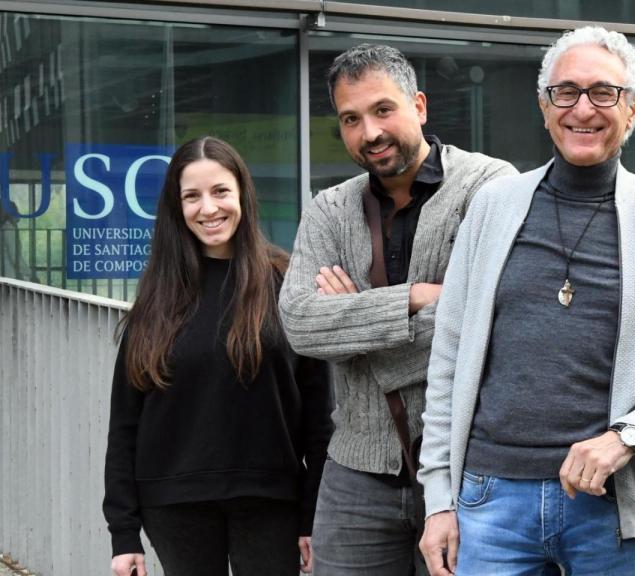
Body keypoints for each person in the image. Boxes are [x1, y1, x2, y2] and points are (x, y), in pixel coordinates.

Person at [418, 26, 635, 576]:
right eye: (566, 91)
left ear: (634, 107)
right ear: (544, 105)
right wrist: (438, 498)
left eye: (603, 92)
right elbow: (449, 359)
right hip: (489, 503)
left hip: (612, 509)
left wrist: (628, 436)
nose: (583, 108)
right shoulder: (492, 207)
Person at [278, 44, 516, 575]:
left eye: (383, 110)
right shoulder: (329, 209)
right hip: (356, 469)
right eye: (351, 119)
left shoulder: (489, 186)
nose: (370, 133)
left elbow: (494, 318)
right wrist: (415, 297)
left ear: (420, 106)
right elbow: (297, 322)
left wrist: (354, 325)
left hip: (468, 466)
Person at [103, 136, 333, 576]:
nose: (208, 208)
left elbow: (319, 418)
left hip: (271, 503)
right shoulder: (157, 299)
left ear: (242, 193)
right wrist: (123, 532)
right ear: (177, 206)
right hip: (174, 504)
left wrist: (312, 516)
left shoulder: (286, 285)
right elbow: (125, 424)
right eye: (192, 196)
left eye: (220, 191)